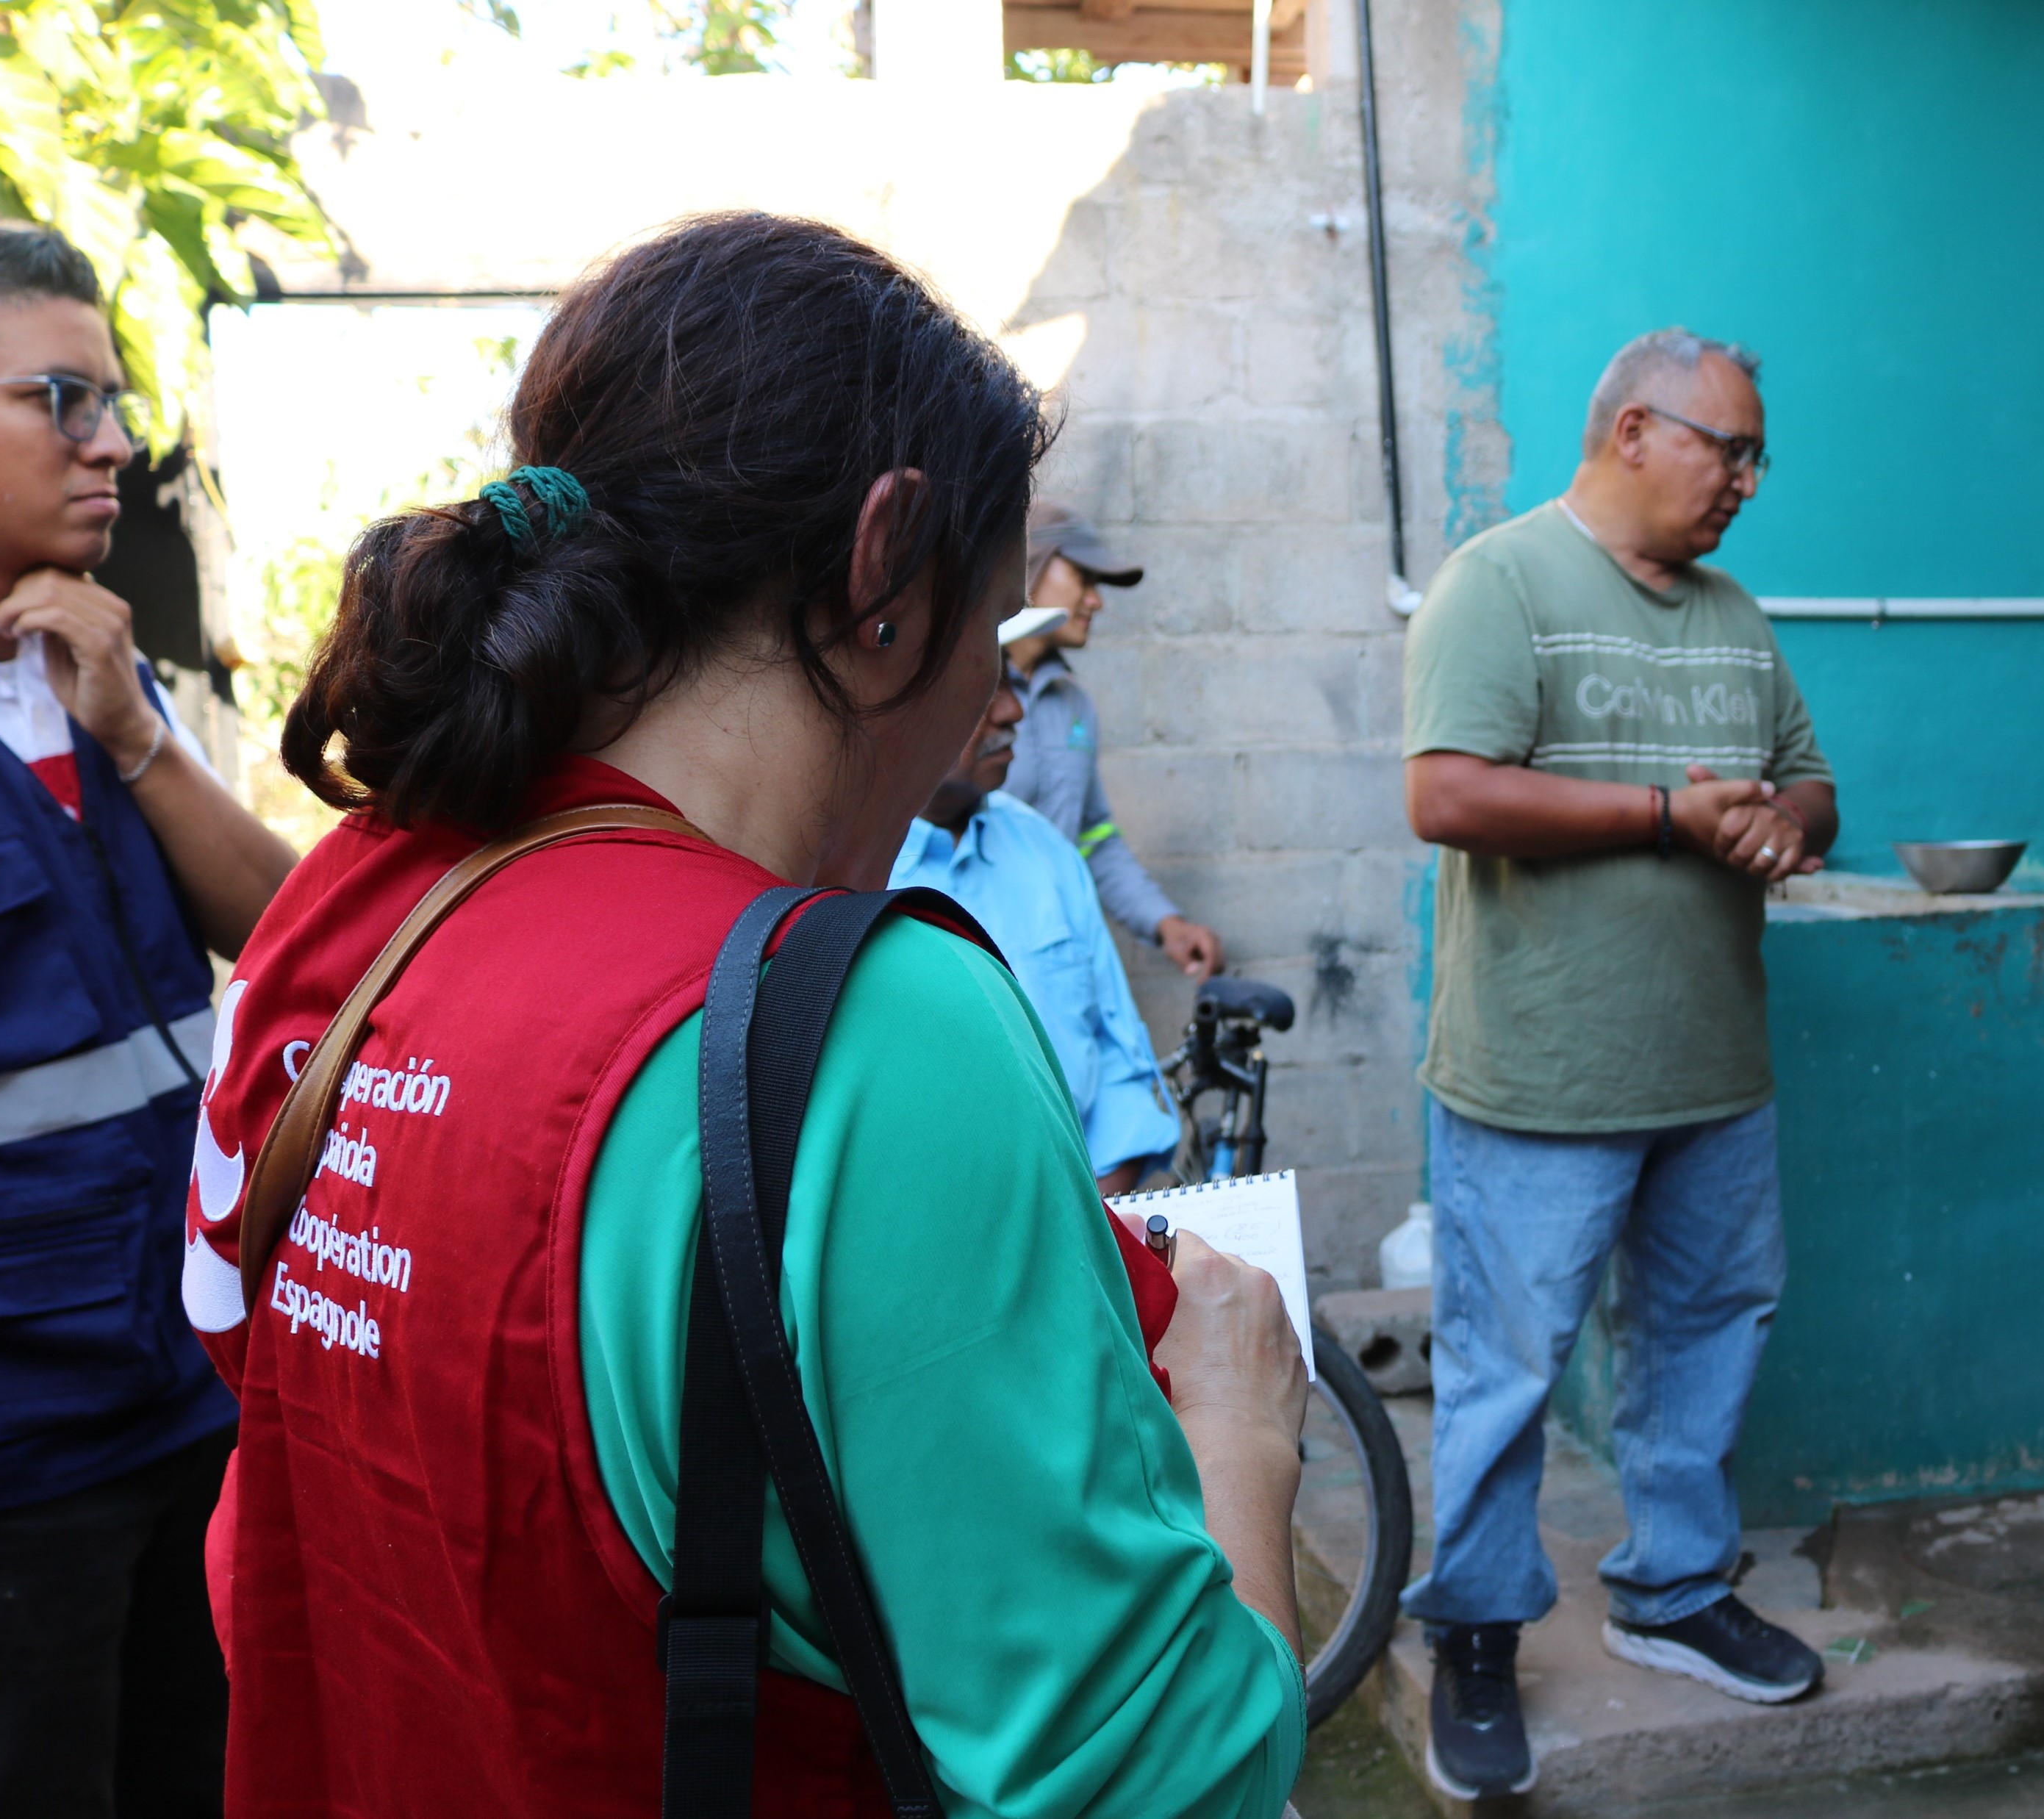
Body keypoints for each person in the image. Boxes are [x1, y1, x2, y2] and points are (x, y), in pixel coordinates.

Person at [182, 213, 1308, 1816]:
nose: (981, 715)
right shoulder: (863, 1026)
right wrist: (1244, 1437)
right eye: (987, 630)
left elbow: (269, 1512)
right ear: (884, 574)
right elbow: (1159, 1784)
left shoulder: (364, 898)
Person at [1398, 326, 1840, 1798]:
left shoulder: (1731, 614)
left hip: (1711, 1066)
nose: (1745, 484)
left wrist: (1787, 822)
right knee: (1505, 1365)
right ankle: (1472, 1626)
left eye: (1755, 456)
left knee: (1708, 1327)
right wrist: (1669, 815)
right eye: (1730, 450)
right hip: (1539, 1074)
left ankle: (1673, 1588)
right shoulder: (1500, 581)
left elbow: (1808, 778)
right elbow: (1446, 793)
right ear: (1636, 430)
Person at [0, 223, 297, 1818]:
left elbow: (283, 935)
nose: (112, 440)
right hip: (18, 1460)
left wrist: (130, 736)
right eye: (63, 397)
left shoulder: (94, 666)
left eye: (110, 399)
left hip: (183, 1395)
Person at [890, 649, 1183, 1196]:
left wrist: (1093, 1208)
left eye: (1011, 686)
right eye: (984, 686)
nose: (1013, 712)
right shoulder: (851, 878)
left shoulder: (1044, 849)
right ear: (901, 706)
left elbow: (1119, 1049)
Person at [1000, 502, 1226, 979]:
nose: (1096, 601)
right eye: (1084, 579)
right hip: (982, 959)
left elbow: (1092, 836)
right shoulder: (960, 701)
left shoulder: (1073, 704)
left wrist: (1166, 924)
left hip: (1058, 960)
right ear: (1029, 565)